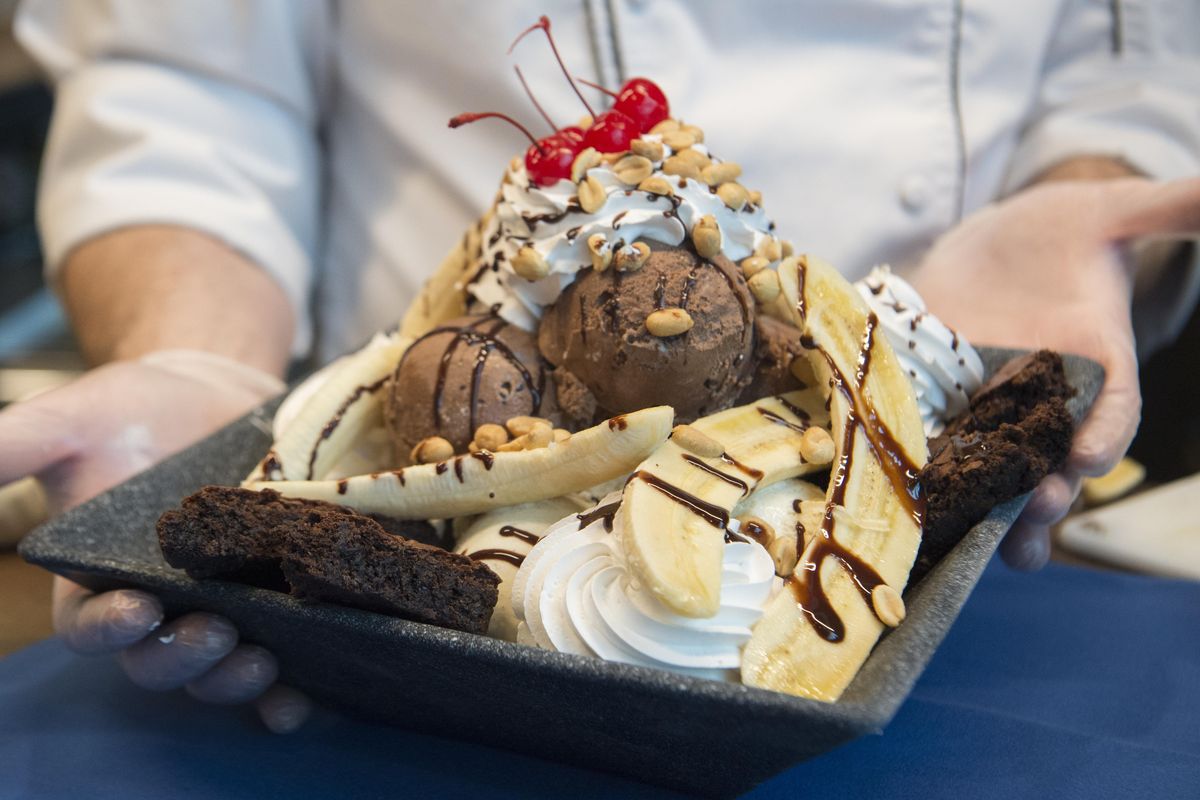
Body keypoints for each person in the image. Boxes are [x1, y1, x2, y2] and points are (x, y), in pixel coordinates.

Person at [3, 1, 1198, 732]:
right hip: (427, 447)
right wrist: (200, 356)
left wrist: (1091, 191)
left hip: (923, 472)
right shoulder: (512, 348)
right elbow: (186, 87)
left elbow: (1133, 52)